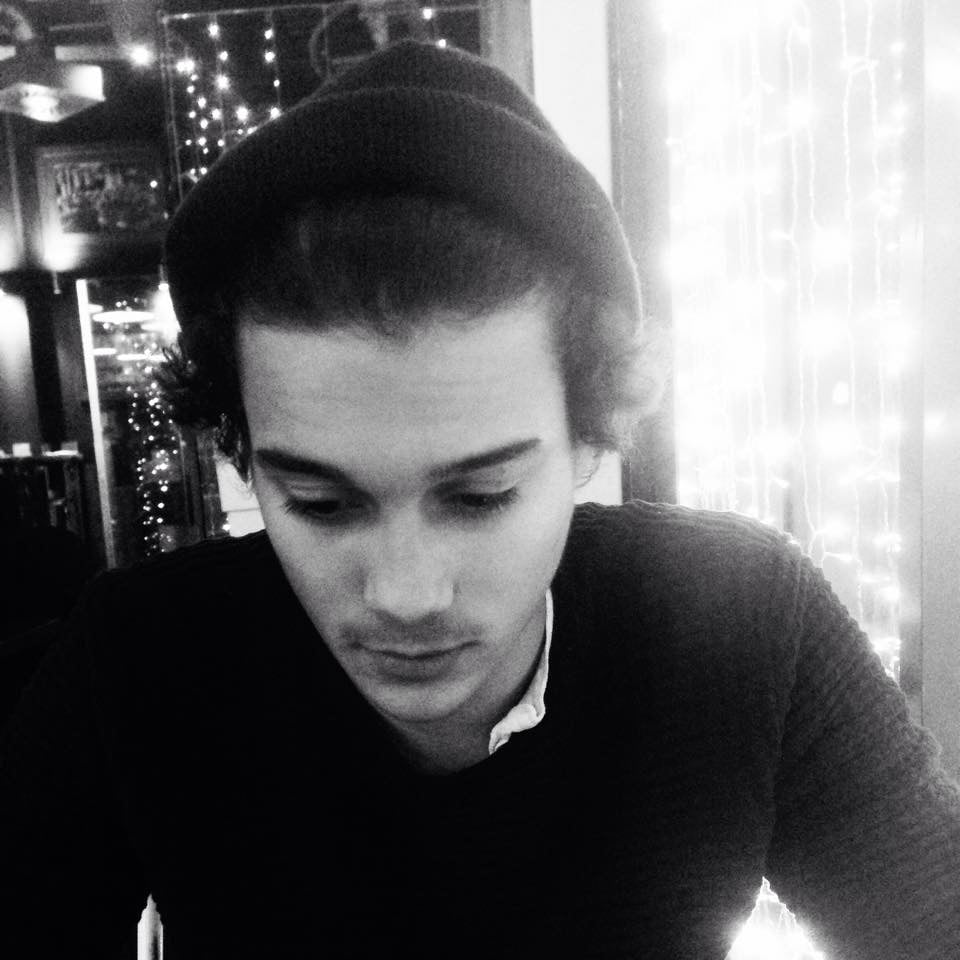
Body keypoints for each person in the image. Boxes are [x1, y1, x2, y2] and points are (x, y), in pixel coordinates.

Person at [1, 39, 959, 960]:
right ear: (242, 454)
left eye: (481, 496)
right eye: (320, 504)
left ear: (592, 435)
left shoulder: (747, 625)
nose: (406, 595)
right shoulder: (135, 661)